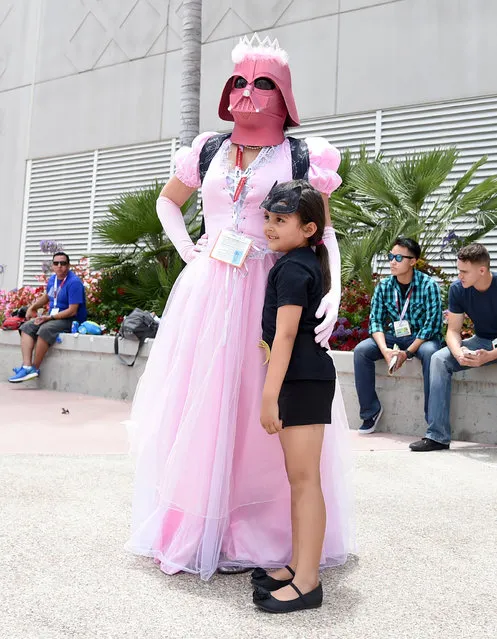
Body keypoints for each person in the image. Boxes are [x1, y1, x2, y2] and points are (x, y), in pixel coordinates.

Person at [125, 34, 353, 580]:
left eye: (264, 82)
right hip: (208, 293)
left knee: (262, 407)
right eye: (241, 82)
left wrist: (334, 287)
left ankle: (267, 533)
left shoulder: (304, 154)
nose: (250, 92)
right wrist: (188, 249)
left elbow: (324, 230)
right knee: (201, 408)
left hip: (273, 291)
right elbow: (168, 201)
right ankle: (203, 525)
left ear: (285, 93)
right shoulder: (205, 149)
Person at [249, 181, 337, 613]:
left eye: (280, 220)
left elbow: (284, 335)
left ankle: (308, 582)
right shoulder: (297, 263)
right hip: (303, 379)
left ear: (307, 228)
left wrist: (269, 395)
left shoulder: (293, 268)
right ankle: (298, 565)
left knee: (304, 482)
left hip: (301, 381)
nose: (269, 226)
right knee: (300, 481)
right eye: (267, 217)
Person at [410, 243, 497, 451]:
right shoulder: (458, 290)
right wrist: (459, 354)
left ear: (482, 270)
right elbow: (453, 331)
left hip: (493, 347)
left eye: (464, 271)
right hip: (483, 340)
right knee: (439, 358)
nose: (460, 276)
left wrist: (490, 356)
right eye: (459, 271)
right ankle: (437, 436)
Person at [353, 237, 443, 434]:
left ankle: (433, 419)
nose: (392, 261)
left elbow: (431, 326)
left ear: (412, 261)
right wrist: (385, 350)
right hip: (394, 337)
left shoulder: (429, 286)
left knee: (431, 354)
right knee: (361, 351)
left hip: (422, 338)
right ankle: (370, 412)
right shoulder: (384, 286)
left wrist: (407, 353)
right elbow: (375, 321)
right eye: (390, 256)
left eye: (398, 257)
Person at [8, 252, 87, 383]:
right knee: (27, 326)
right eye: (56, 263)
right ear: (53, 266)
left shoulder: (74, 283)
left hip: (70, 320)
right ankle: (26, 366)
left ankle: (34, 368)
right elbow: (48, 296)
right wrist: (32, 307)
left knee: (45, 329)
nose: (59, 266)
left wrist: (49, 318)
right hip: (53, 317)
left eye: (63, 263)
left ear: (68, 265)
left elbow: (73, 311)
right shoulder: (53, 280)